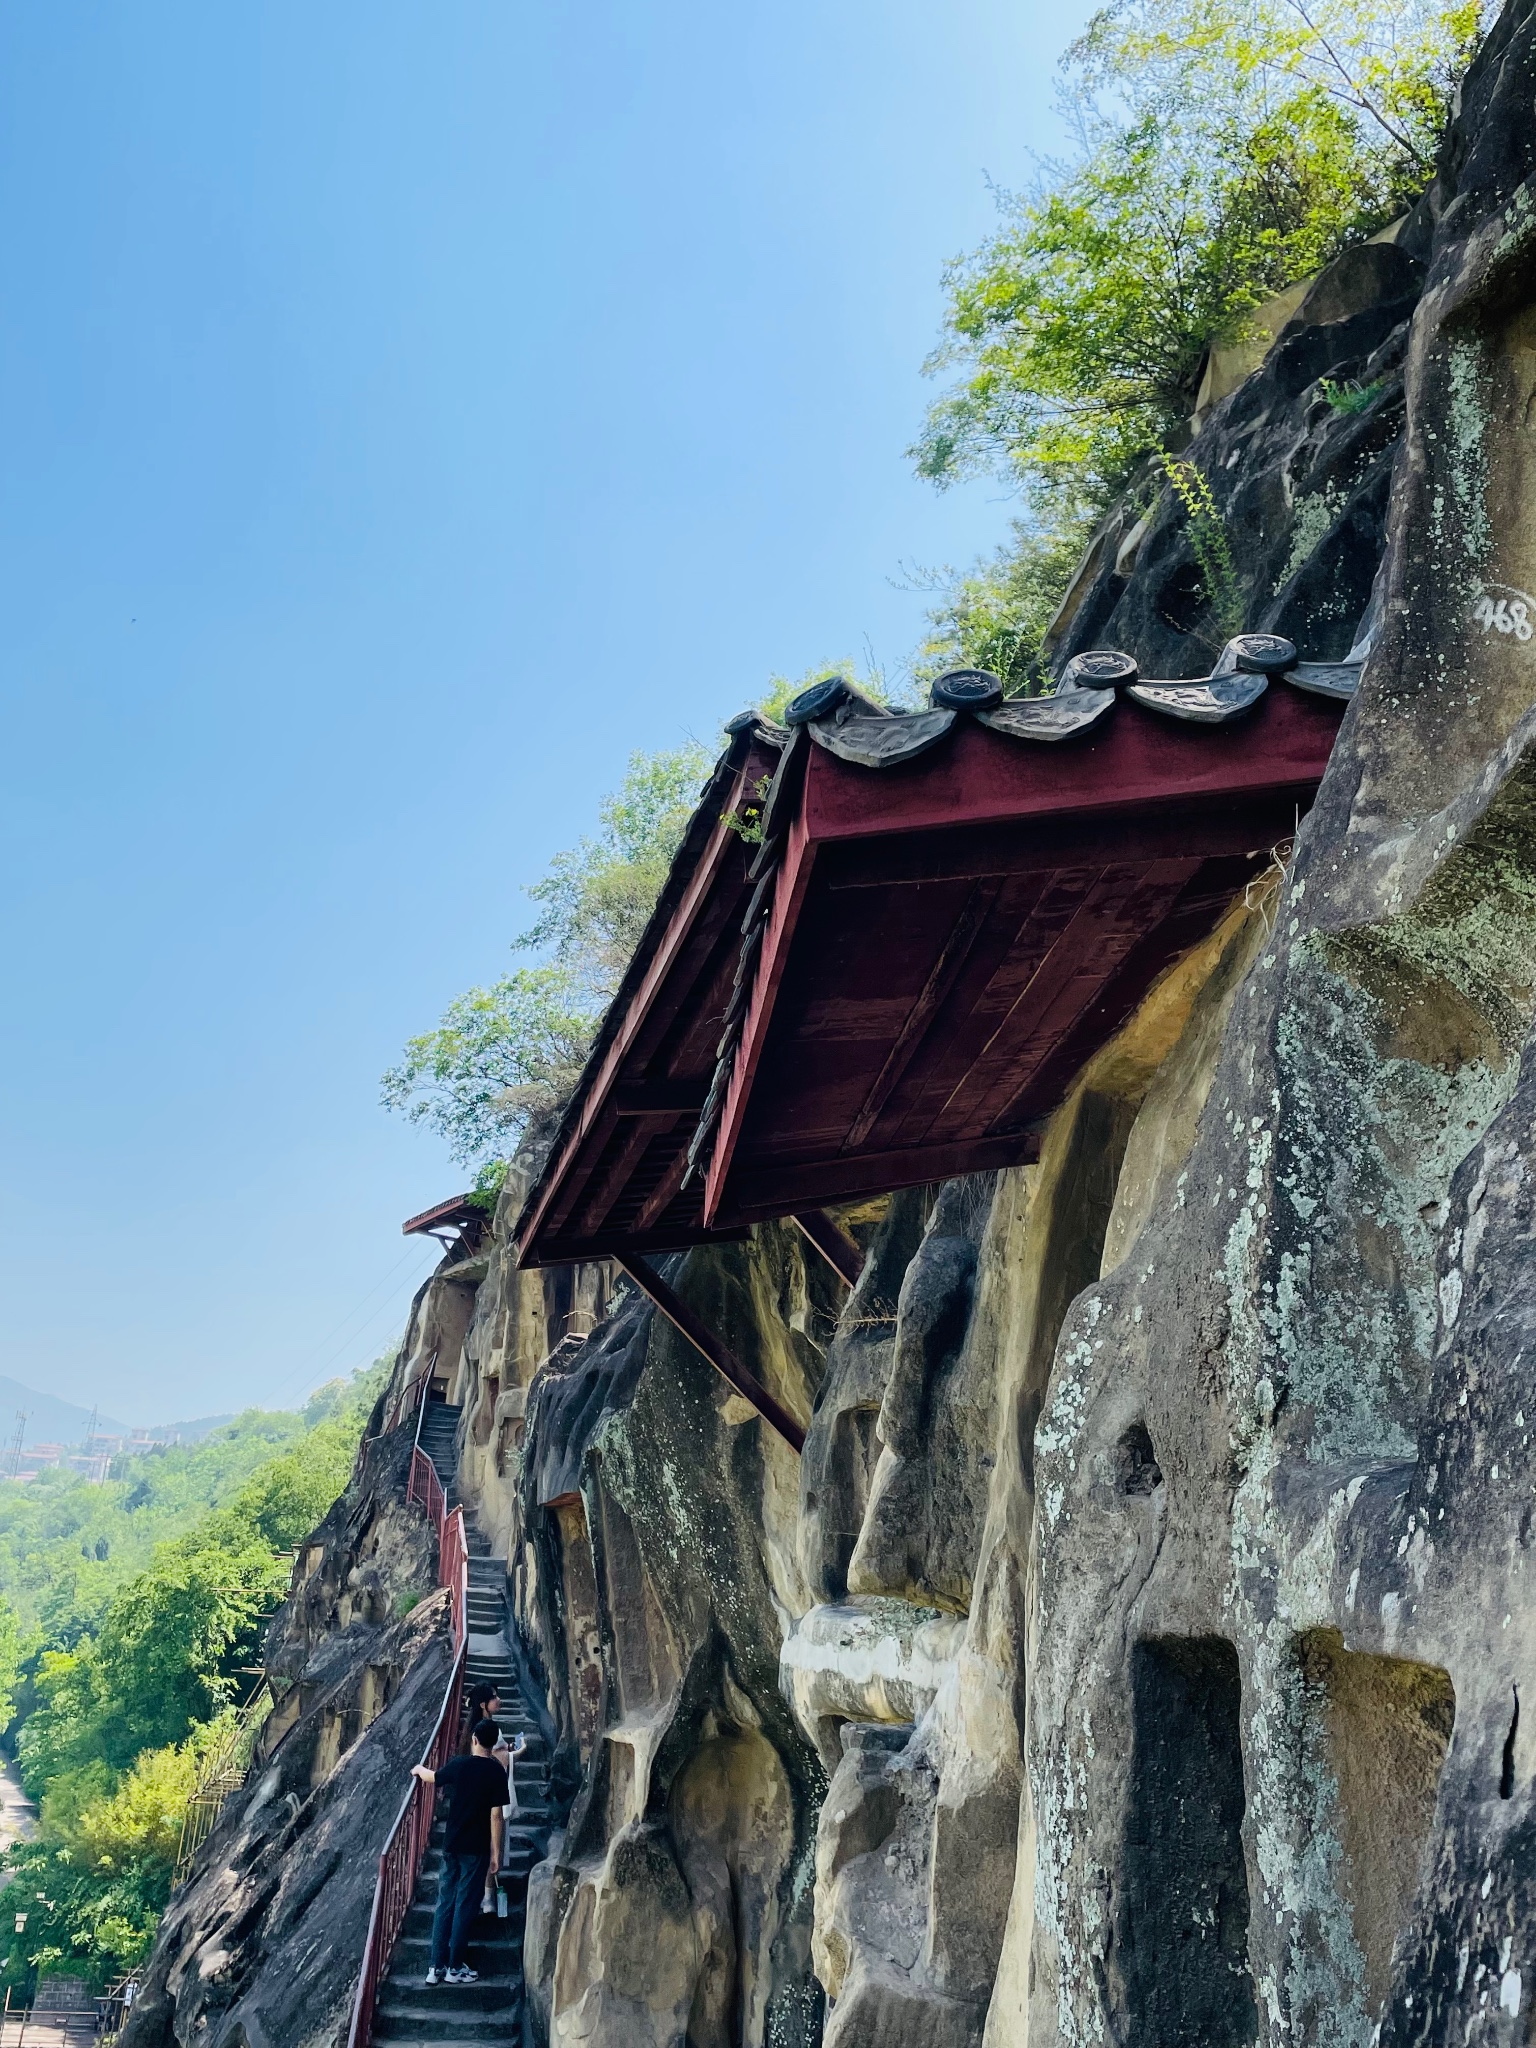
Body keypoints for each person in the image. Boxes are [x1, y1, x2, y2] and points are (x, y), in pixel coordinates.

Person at [411, 1718, 509, 1986]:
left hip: (452, 1844)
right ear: (493, 1743)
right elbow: (497, 1815)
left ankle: (435, 1967)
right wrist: (496, 1853)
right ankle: (455, 1966)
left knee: (444, 1902)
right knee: (465, 1905)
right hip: (476, 1848)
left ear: (474, 1740)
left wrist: (419, 1769)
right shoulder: (496, 1771)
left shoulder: (459, 1764)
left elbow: (434, 1777)